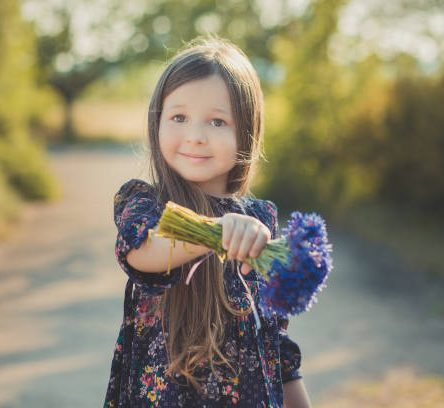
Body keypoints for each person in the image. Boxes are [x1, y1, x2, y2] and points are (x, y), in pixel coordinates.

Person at [104, 35, 312, 407]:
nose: (196, 136)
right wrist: (217, 233)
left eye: (217, 122)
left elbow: (275, 348)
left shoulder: (260, 220)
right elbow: (143, 251)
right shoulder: (143, 203)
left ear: (246, 132)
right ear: (157, 123)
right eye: (179, 117)